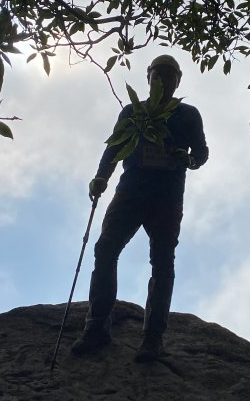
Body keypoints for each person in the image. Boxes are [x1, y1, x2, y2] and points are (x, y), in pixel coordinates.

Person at [71, 54, 208, 361]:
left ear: (179, 80)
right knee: (105, 249)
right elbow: (115, 147)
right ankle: (96, 328)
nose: (163, 80)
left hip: (167, 196)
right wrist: (101, 177)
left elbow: (201, 151)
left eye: (170, 75)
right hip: (130, 191)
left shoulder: (187, 115)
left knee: (162, 262)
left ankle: (153, 338)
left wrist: (190, 160)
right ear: (148, 77)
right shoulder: (133, 112)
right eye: (157, 74)